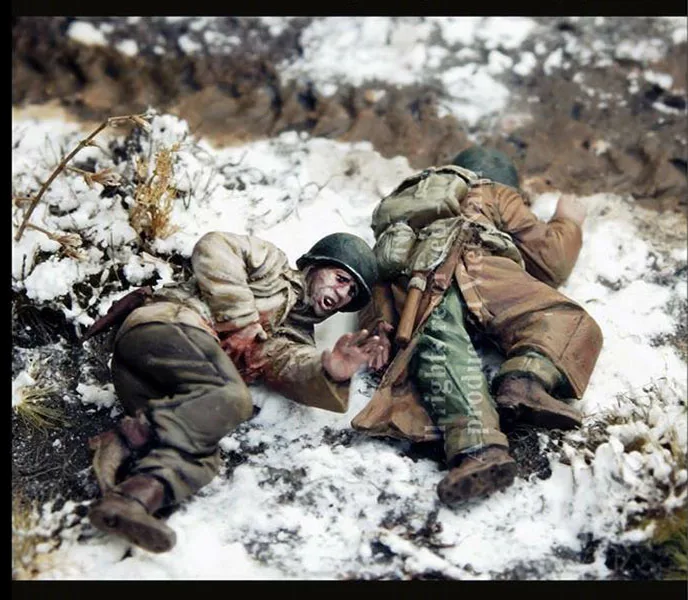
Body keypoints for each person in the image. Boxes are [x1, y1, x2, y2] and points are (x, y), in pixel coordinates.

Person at [85, 231, 385, 553]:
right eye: (341, 279)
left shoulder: (295, 335)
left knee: (203, 456)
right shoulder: (272, 267)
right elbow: (215, 246)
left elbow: (289, 365)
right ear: (315, 266)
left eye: (351, 293)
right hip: (163, 330)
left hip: (154, 387)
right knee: (233, 398)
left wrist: (330, 370)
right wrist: (242, 321)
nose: (342, 295)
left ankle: (130, 501)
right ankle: (128, 438)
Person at [352, 146, 603, 506]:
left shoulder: (401, 205)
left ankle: (479, 450)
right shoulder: (491, 191)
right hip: (481, 264)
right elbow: (551, 262)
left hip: (417, 279)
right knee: (563, 318)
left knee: (441, 355)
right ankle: (526, 380)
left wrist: (381, 325)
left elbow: (378, 276)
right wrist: (568, 221)